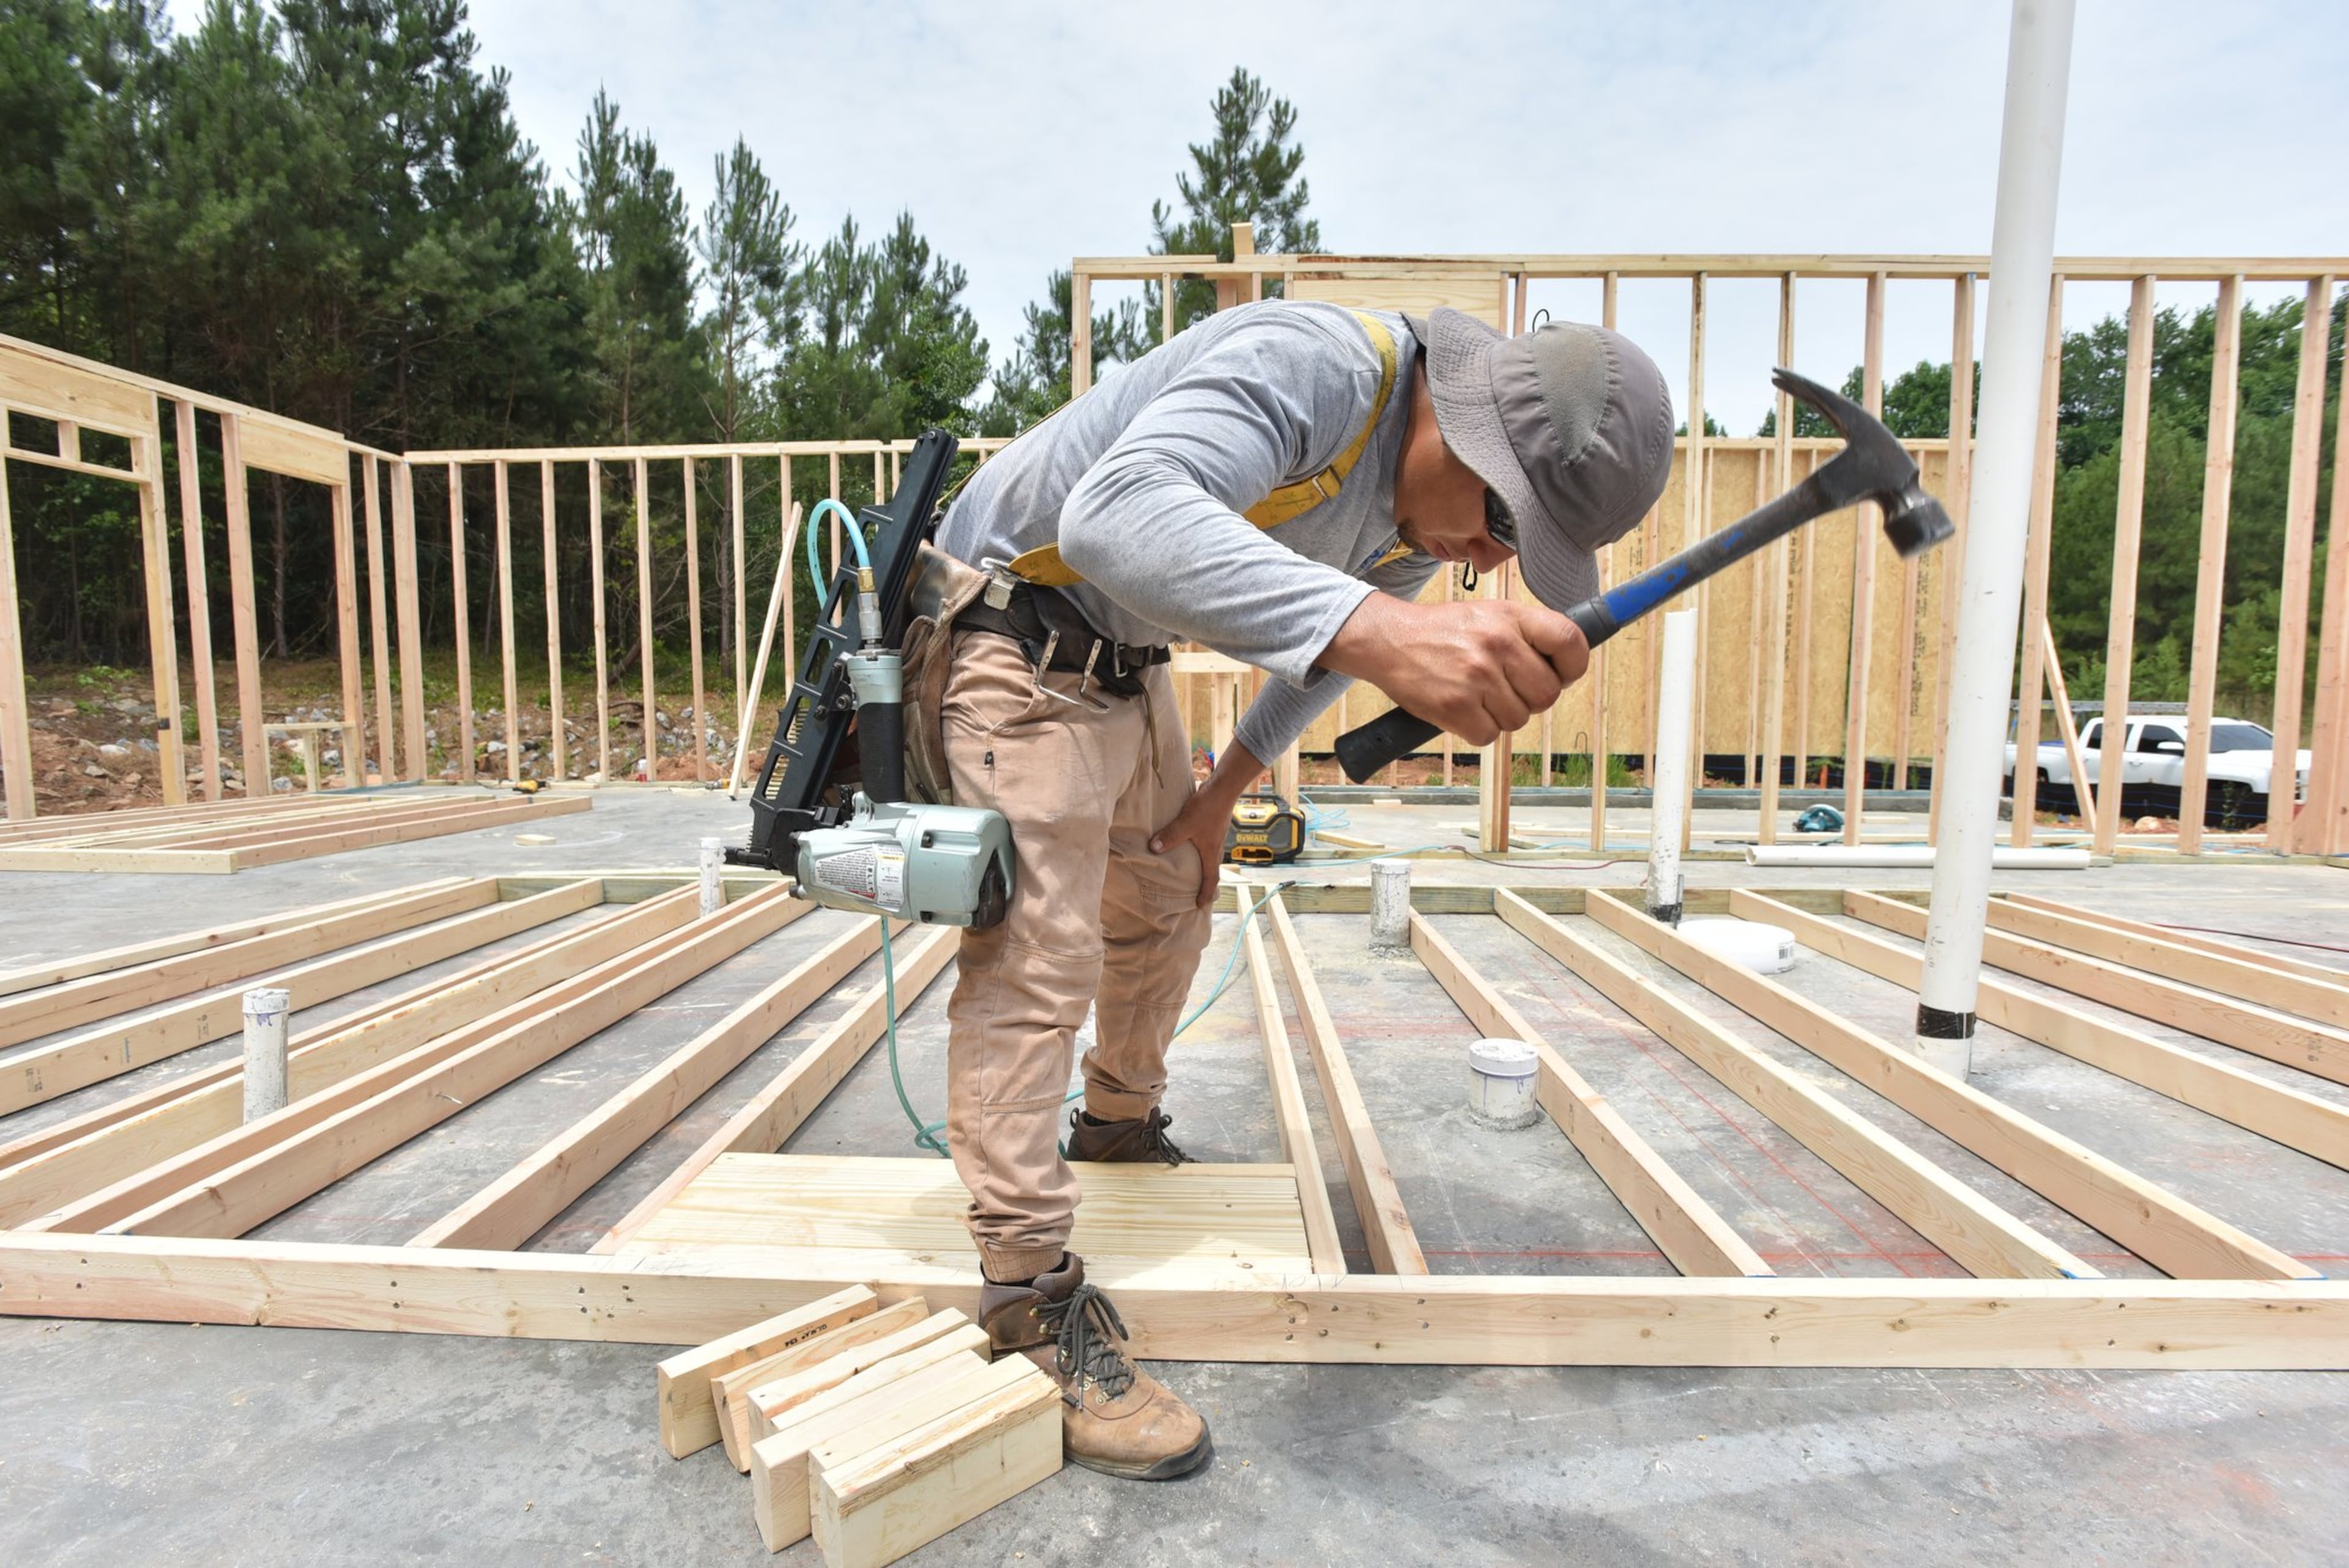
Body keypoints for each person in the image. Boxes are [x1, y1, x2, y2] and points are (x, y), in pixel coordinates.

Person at [922, 300, 1674, 1479]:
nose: (1487, 559)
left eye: (1516, 548)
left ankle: (1114, 1129)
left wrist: (1224, 790)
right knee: (1041, 956)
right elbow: (1111, 516)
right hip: (1009, 631)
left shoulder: (1432, 512)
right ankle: (1025, 1298)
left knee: (1171, 888)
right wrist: (1382, 632)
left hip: (1122, 661)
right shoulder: (1319, 369)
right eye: (1499, 521)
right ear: (1458, 422)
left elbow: (1322, 651)